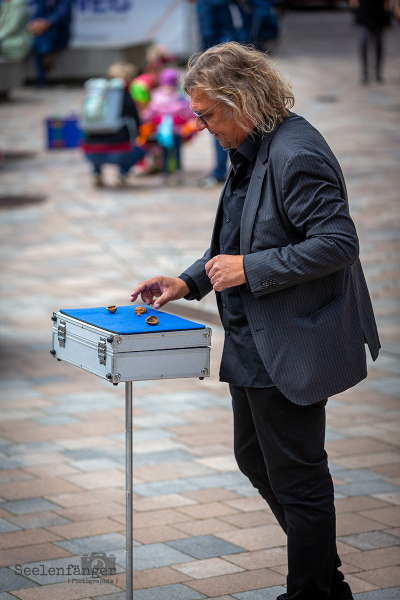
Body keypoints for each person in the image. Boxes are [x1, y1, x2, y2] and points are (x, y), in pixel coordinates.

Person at [131, 42, 380, 599]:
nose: (201, 127)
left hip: (290, 336)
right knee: (254, 458)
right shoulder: (250, 144)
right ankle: (321, 572)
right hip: (252, 336)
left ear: (241, 100)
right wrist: (188, 281)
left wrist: (251, 269)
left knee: (298, 476)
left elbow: (339, 243)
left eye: (207, 115)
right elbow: (238, 239)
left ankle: (314, 586)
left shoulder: (296, 152)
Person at [81, 62, 143, 188]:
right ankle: (122, 174)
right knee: (143, 148)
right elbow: (136, 120)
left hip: (89, 151)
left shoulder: (97, 92)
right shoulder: (123, 94)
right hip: (118, 151)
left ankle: (96, 172)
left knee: (99, 136)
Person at [141, 68, 194, 183]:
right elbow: (189, 112)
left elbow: (149, 113)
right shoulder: (179, 96)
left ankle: (165, 173)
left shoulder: (156, 96)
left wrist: (144, 119)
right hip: (176, 130)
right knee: (176, 152)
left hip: (163, 131)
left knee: (165, 152)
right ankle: (177, 172)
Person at [27, 0, 72, 85]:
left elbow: (61, 17)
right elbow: (36, 16)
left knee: (38, 42)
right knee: (37, 42)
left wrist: (46, 24)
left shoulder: (64, 2)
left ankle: (41, 79)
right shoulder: (43, 2)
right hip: (45, 36)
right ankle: (46, 55)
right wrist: (34, 24)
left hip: (59, 36)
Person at [349, 0, 391, 84]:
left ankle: (378, 73)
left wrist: (387, 16)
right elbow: (353, 2)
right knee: (363, 44)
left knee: (378, 46)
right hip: (363, 16)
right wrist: (355, 12)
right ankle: (365, 74)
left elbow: (387, 2)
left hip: (379, 16)